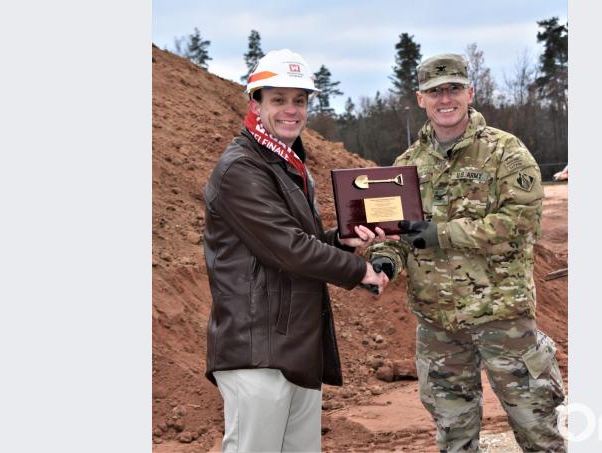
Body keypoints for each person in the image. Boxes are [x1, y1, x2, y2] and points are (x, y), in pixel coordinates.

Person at [368, 53, 567, 452]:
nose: (445, 98)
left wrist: (441, 233)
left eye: (454, 89)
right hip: (438, 326)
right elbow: (395, 233)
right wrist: (385, 260)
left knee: (536, 429)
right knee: (453, 435)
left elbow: (520, 224)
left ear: (469, 93)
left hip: (502, 320)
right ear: (420, 99)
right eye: (435, 91)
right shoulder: (405, 165)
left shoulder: (505, 152)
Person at [202, 49, 391, 453]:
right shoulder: (242, 168)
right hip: (257, 352)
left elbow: (289, 243)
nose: (291, 110)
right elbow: (286, 248)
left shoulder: (286, 163)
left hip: (292, 349)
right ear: (255, 102)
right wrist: (359, 272)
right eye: (278, 100)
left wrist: (338, 241)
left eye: (300, 100)